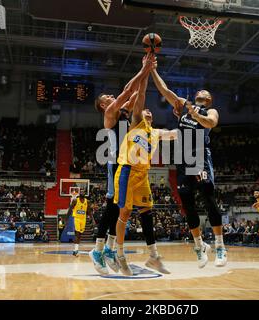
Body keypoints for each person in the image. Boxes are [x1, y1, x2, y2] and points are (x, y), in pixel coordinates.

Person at [150, 68, 227, 268]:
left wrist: (194, 113)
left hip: (200, 156)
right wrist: (152, 70)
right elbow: (165, 90)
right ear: (195, 96)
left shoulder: (211, 111)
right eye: (200, 92)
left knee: (209, 200)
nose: (203, 93)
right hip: (183, 160)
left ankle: (220, 246)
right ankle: (199, 246)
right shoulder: (185, 106)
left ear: (209, 100)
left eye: (207, 94)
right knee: (187, 205)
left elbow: (211, 123)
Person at [89, 53, 157, 275]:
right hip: (115, 163)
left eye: (111, 95)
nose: (110, 96)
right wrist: (144, 69)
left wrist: (148, 71)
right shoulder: (110, 113)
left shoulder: (124, 112)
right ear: (102, 104)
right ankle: (97, 250)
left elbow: (136, 92)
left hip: (127, 162)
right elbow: (128, 90)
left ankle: (108, 248)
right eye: (107, 96)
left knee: (121, 208)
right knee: (112, 206)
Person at [114, 62, 176, 276]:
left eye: (150, 111)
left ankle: (154, 256)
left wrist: (193, 120)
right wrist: (147, 69)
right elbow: (140, 94)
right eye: (145, 110)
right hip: (127, 171)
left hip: (142, 175)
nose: (147, 111)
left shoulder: (156, 132)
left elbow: (175, 134)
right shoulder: (137, 123)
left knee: (147, 212)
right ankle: (119, 256)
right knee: (125, 212)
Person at [70, 190, 93, 256]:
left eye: (84, 192)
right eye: (81, 192)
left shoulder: (87, 201)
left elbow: (89, 211)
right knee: (77, 234)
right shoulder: (75, 200)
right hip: (77, 218)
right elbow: (70, 209)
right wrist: (66, 218)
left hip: (83, 219)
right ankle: (76, 250)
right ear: (79, 194)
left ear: (85, 194)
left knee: (80, 235)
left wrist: (92, 219)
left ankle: (75, 250)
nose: (82, 193)